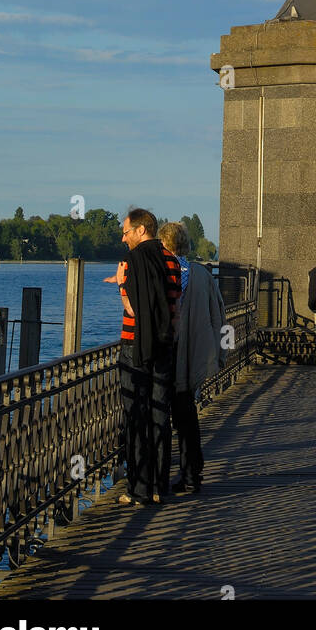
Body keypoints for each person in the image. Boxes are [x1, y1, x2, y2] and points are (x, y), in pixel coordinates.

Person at [113, 208, 180, 507]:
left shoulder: (129, 261)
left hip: (133, 345)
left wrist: (120, 286)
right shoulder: (172, 261)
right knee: (159, 413)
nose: (124, 237)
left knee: (135, 413)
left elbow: (131, 310)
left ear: (142, 230)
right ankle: (159, 485)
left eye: (126, 232)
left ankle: (137, 488)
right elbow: (174, 309)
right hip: (164, 345)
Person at [158, 221, 227, 495]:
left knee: (160, 416)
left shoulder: (162, 272)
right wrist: (218, 354)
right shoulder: (201, 274)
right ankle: (191, 473)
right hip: (193, 356)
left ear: (164, 245)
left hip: (166, 353)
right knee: (187, 416)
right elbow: (219, 314)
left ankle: (157, 476)